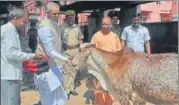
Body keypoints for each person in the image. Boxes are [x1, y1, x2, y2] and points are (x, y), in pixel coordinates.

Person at [1, 7, 42, 105]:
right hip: (9, 75)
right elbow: (11, 54)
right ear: (15, 18)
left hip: (10, 73)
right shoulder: (9, 30)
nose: (25, 24)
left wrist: (25, 60)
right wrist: (32, 55)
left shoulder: (10, 29)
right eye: (24, 21)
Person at [35, 2, 72, 105]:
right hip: (45, 67)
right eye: (54, 14)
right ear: (47, 13)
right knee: (48, 95)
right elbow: (49, 50)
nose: (57, 16)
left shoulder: (54, 24)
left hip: (55, 66)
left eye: (58, 13)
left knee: (58, 94)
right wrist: (65, 59)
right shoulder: (44, 27)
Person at [90, 16, 123, 105]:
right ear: (101, 25)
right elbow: (91, 50)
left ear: (111, 25)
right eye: (103, 24)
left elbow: (119, 51)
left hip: (111, 67)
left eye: (107, 24)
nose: (105, 26)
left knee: (110, 87)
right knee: (98, 87)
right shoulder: (96, 36)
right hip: (99, 67)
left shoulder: (114, 36)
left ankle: (108, 103)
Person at [61, 10, 84, 98]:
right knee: (66, 71)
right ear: (66, 18)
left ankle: (71, 88)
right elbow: (57, 40)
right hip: (66, 51)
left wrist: (81, 48)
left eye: (72, 17)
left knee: (74, 70)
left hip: (76, 51)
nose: (70, 18)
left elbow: (81, 39)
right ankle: (66, 90)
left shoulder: (77, 27)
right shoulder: (62, 28)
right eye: (69, 17)